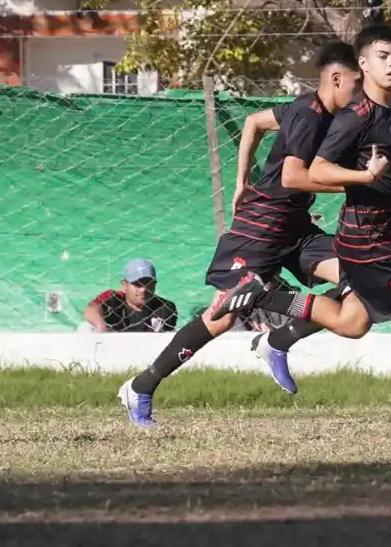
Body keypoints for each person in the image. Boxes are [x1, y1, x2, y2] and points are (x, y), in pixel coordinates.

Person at [212, 24, 391, 424]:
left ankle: (264, 301)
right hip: (368, 241)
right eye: (382, 56)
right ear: (363, 64)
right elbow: (316, 170)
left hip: (389, 234)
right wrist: (363, 178)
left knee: (353, 322)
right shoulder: (354, 118)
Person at [117, 43, 363, 427]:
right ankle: (141, 387)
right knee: (221, 315)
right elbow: (292, 177)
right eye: (357, 82)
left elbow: (253, 122)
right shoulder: (308, 116)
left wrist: (241, 181)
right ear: (337, 78)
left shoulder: (318, 112)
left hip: (295, 228)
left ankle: (278, 339)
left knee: (362, 279)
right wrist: (361, 184)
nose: (361, 92)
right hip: (260, 227)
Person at [86, 259, 179, 333]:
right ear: (124, 285)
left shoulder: (165, 308)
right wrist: (100, 324)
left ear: (154, 285)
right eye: (137, 284)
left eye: (148, 284)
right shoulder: (114, 299)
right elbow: (91, 309)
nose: (143, 290)